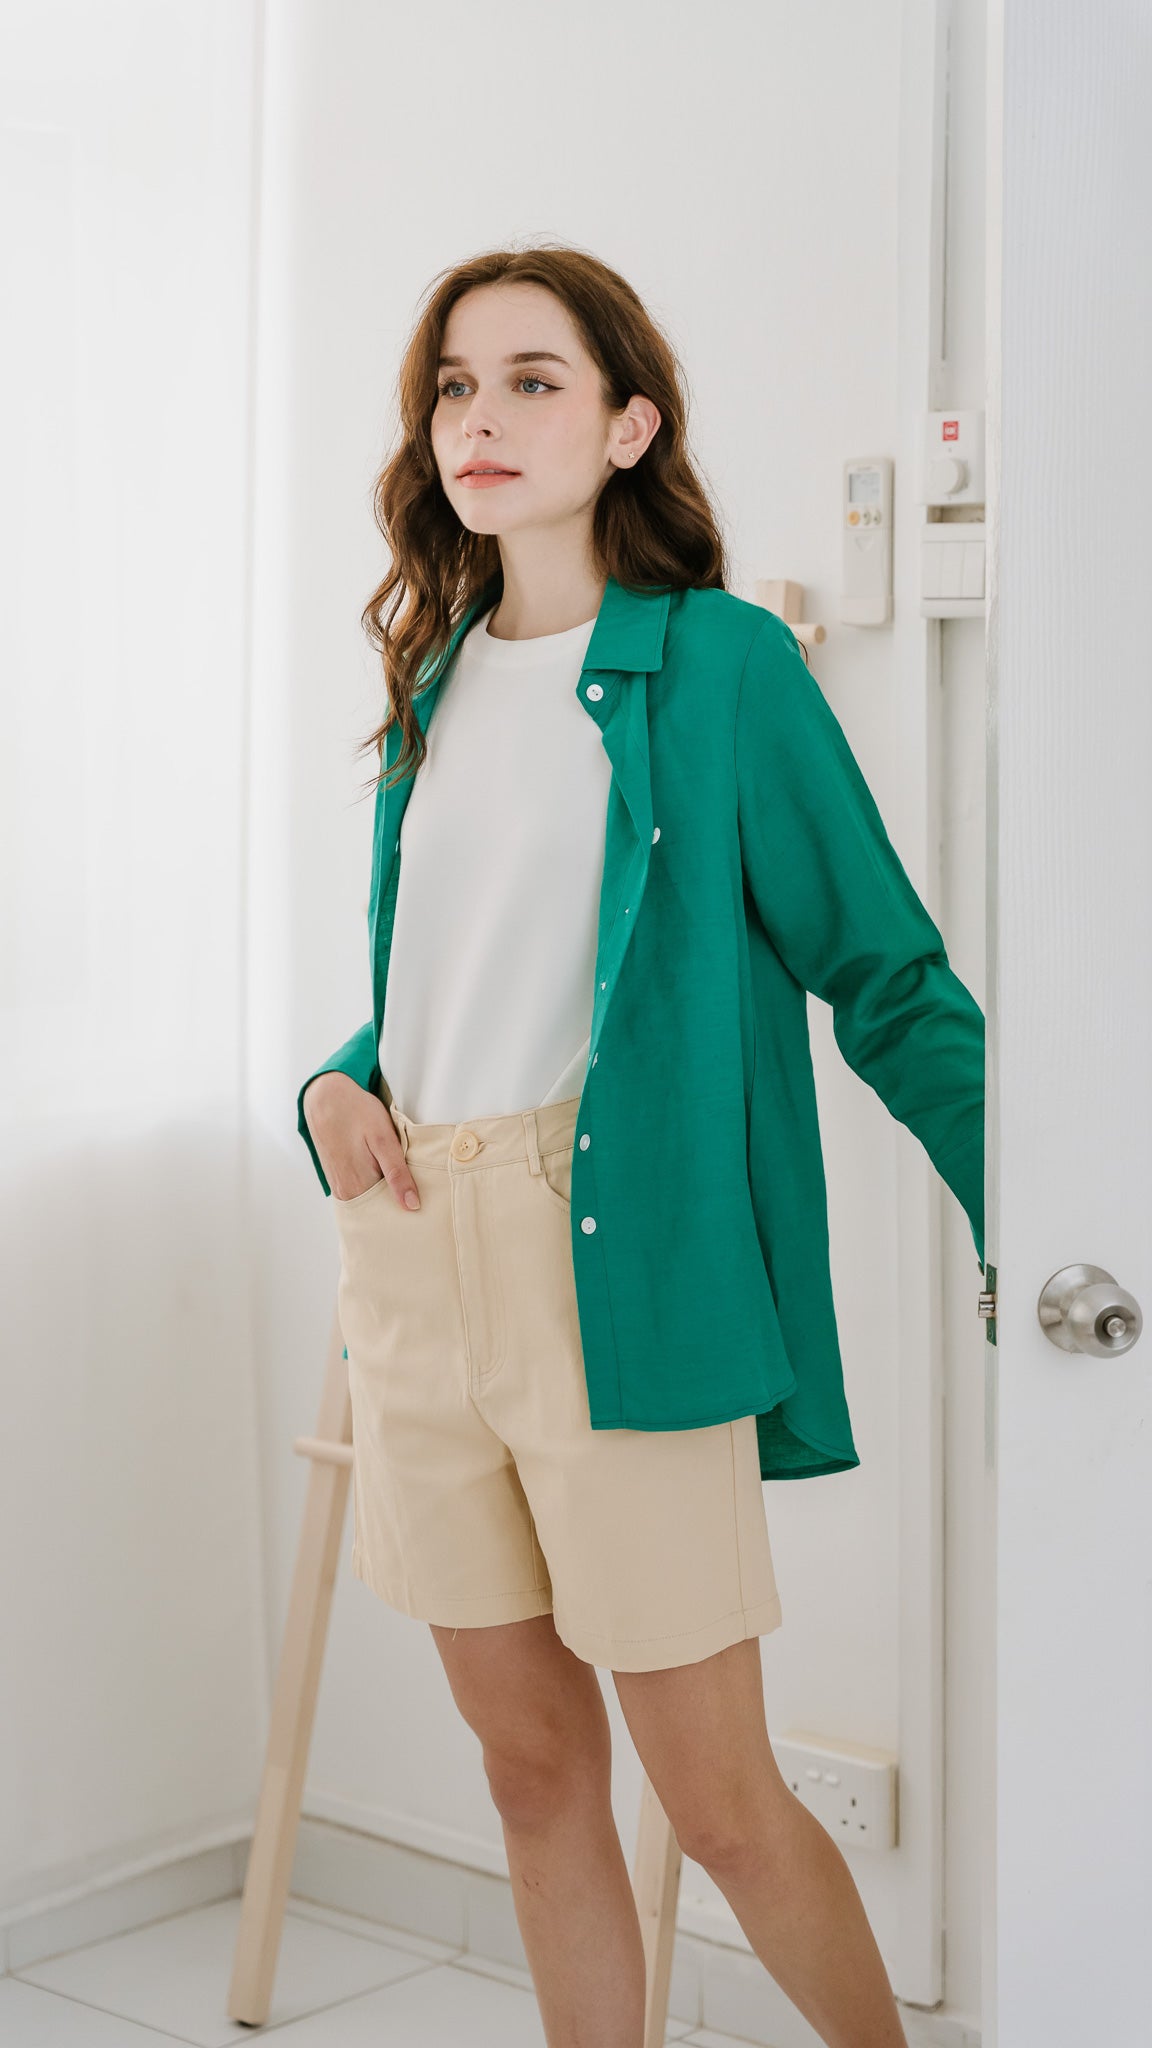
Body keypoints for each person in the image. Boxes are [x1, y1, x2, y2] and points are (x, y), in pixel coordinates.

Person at [299, 243, 984, 2048]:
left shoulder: (725, 668)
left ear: (629, 427)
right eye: (455, 386)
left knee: (721, 1803)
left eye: (534, 380)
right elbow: (450, 983)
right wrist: (332, 1090)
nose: (481, 417)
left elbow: (885, 973)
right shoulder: (435, 673)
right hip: (417, 1252)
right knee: (531, 1777)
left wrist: (1040, 1204)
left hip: (613, 1263)